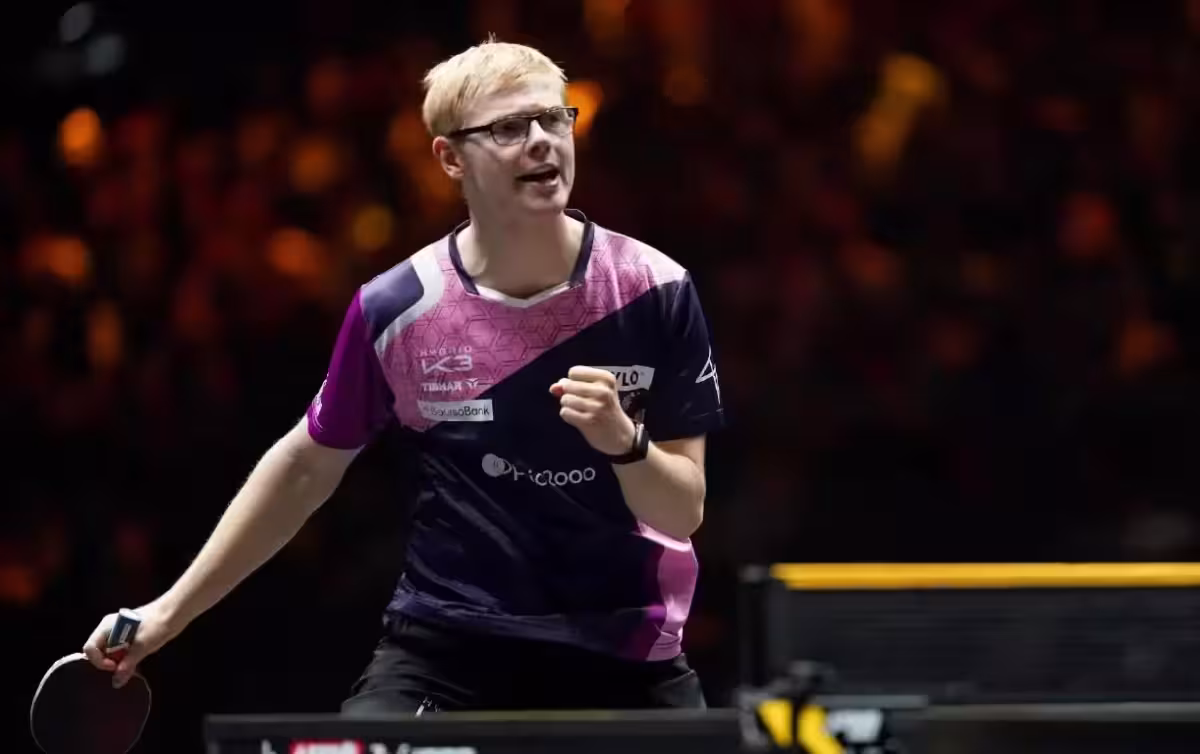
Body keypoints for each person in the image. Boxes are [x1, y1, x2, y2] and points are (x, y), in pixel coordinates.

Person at [83, 39, 724, 714]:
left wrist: (625, 444)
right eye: (509, 127)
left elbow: (683, 512)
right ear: (450, 158)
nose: (541, 141)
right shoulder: (399, 308)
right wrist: (166, 614)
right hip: (451, 654)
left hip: (623, 654)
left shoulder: (653, 290)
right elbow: (304, 467)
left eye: (552, 119)